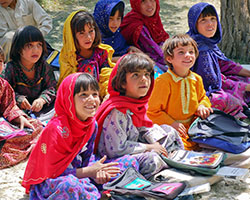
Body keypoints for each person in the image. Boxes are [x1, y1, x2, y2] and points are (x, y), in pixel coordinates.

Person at [22, 73, 138, 199]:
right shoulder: (56, 129)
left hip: (81, 172)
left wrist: (98, 172)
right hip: (55, 179)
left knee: (128, 162)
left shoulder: (91, 124)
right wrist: (90, 171)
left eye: (94, 94)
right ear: (68, 99)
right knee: (70, 186)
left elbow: (87, 157)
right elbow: (51, 172)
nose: (92, 99)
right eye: (83, 95)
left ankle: (93, 189)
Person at [94, 53, 184, 179]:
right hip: (115, 158)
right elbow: (116, 149)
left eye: (147, 74)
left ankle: (174, 160)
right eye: (135, 75)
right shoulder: (118, 110)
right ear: (122, 82)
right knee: (152, 159)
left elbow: (144, 127)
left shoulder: (137, 103)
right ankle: (164, 165)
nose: (144, 79)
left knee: (170, 132)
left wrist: (157, 142)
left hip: (135, 144)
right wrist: (149, 147)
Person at [147, 34, 213, 150]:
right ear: (169, 58)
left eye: (191, 52)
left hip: (194, 127)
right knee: (176, 148)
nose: (188, 56)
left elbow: (203, 97)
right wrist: (171, 123)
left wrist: (202, 105)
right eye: (181, 52)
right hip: (172, 128)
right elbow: (153, 111)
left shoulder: (196, 79)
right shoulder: (163, 81)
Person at [187, 2, 250, 119]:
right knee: (226, 99)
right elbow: (211, 83)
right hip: (198, 93)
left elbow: (225, 65)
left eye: (213, 19)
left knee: (244, 78)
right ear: (194, 24)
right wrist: (243, 87)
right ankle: (241, 111)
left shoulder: (207, 42)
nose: (210, 24)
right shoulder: (201, 50)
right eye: (203, 20)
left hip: (214, 82)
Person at [1, 25, 56, 122]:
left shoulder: (44, 66)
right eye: (29, 45)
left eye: (39, 45)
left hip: (43, 110)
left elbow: (51, 88)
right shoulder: (10, 69)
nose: (36, 50)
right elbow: (4, 93)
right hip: (18, 112)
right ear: (18, 49)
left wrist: (42, 100)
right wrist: (18, 99)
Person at [58, 10, 115, 99]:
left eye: (91, 31)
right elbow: (67, 84)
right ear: (72, 36)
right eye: (81, 33)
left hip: (99, 97)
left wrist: (107, 94)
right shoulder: (69, 56)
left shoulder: (102, 52)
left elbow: (106, 77)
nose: (88, 37)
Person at [0, 76, 43, 169]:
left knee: (36, 126)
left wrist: (19, 118)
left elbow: (9, 106)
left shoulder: (3, 84)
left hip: (4, 128)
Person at [120, 0, 169, 74]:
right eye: (143, 1)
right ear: (136, 4)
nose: (149, 5)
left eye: (152, 0)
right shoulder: (137, 25)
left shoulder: (154, 20)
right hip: (144, 62)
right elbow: (156, 53)